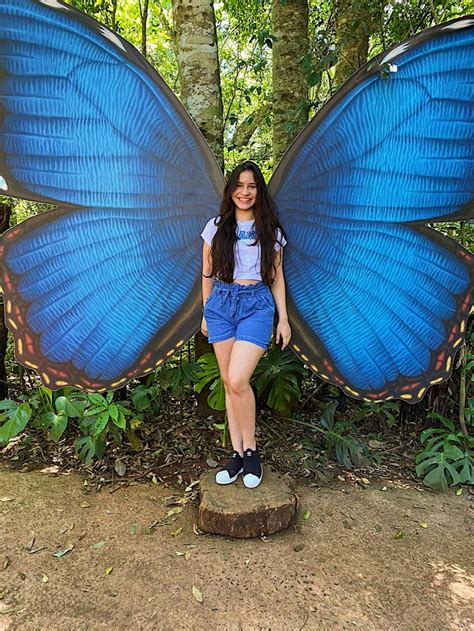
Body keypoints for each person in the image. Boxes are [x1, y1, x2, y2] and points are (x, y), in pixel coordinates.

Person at [200, 161, 291, 489]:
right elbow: (207, 273)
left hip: (257, 306)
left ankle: (251, 452)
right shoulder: (215, 227)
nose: (245, 192)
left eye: (252, 186)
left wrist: (283, 318)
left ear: (259, 191)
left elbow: (277, 277)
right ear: (231, 190)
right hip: (221, 305)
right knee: (228, 383)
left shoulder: (271, 231)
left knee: (238, 378)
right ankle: (236, 454)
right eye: (240, 185)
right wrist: (205, 312)